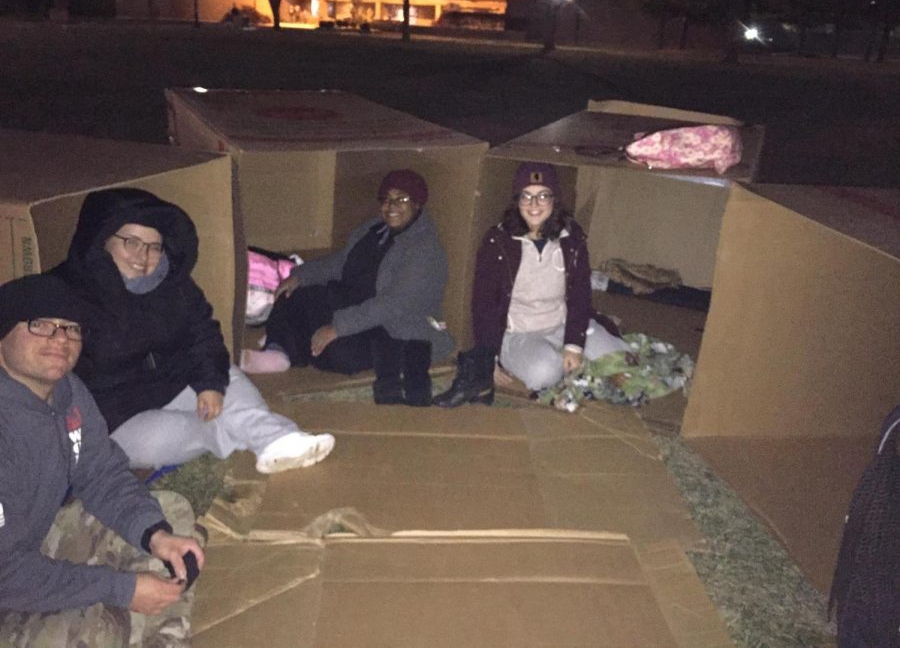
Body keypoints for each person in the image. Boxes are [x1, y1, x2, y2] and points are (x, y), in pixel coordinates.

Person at [51, 187, 334, 473]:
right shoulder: (63, 294)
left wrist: (210, 382)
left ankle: (277, 438)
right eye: (131, 242)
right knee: (150, 444)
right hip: (116, 410)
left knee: (228, 378)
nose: (143, 255)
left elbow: (203, 334)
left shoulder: (173, 284)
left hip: (178, 379)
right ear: (101, 238)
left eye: (154, 246)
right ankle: (234, 432)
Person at [0, 274, 204, 645]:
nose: (60, 338)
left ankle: (162, 634)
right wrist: (119, 588)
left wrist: (154, 535)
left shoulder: (67, 392)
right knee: (86, 630)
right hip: (7, 581)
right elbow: (5, 573)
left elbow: (101, 474)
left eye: (70, 327)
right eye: (40, 324)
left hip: (30, 545)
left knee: (169, 519)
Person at [241, 169, 453, 407]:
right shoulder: (373, 228)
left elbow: (394, 304)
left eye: (401, 199)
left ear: (417, 204)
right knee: (294, 293)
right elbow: (340, 262)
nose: (391, 206)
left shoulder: (424, 249)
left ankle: (291, 340)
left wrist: (338, 327)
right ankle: (278, 350)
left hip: (389, 325)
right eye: (386, 199)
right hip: (351, 301)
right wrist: (302, 275)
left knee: (340, 355)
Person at [434, 161, 629, 407]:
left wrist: (574, 343)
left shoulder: (572, 238)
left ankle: (580, 355)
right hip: (519, 332)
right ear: (516, 201)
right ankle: (544, 363)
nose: (534, 205)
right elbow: (484, 303)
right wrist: (488, 358)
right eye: (526, 196)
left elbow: (580, 294)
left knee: (620, 360)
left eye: (542, 196)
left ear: (554, 200)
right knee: (545, 373)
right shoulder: (498, 241)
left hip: (562, 323)